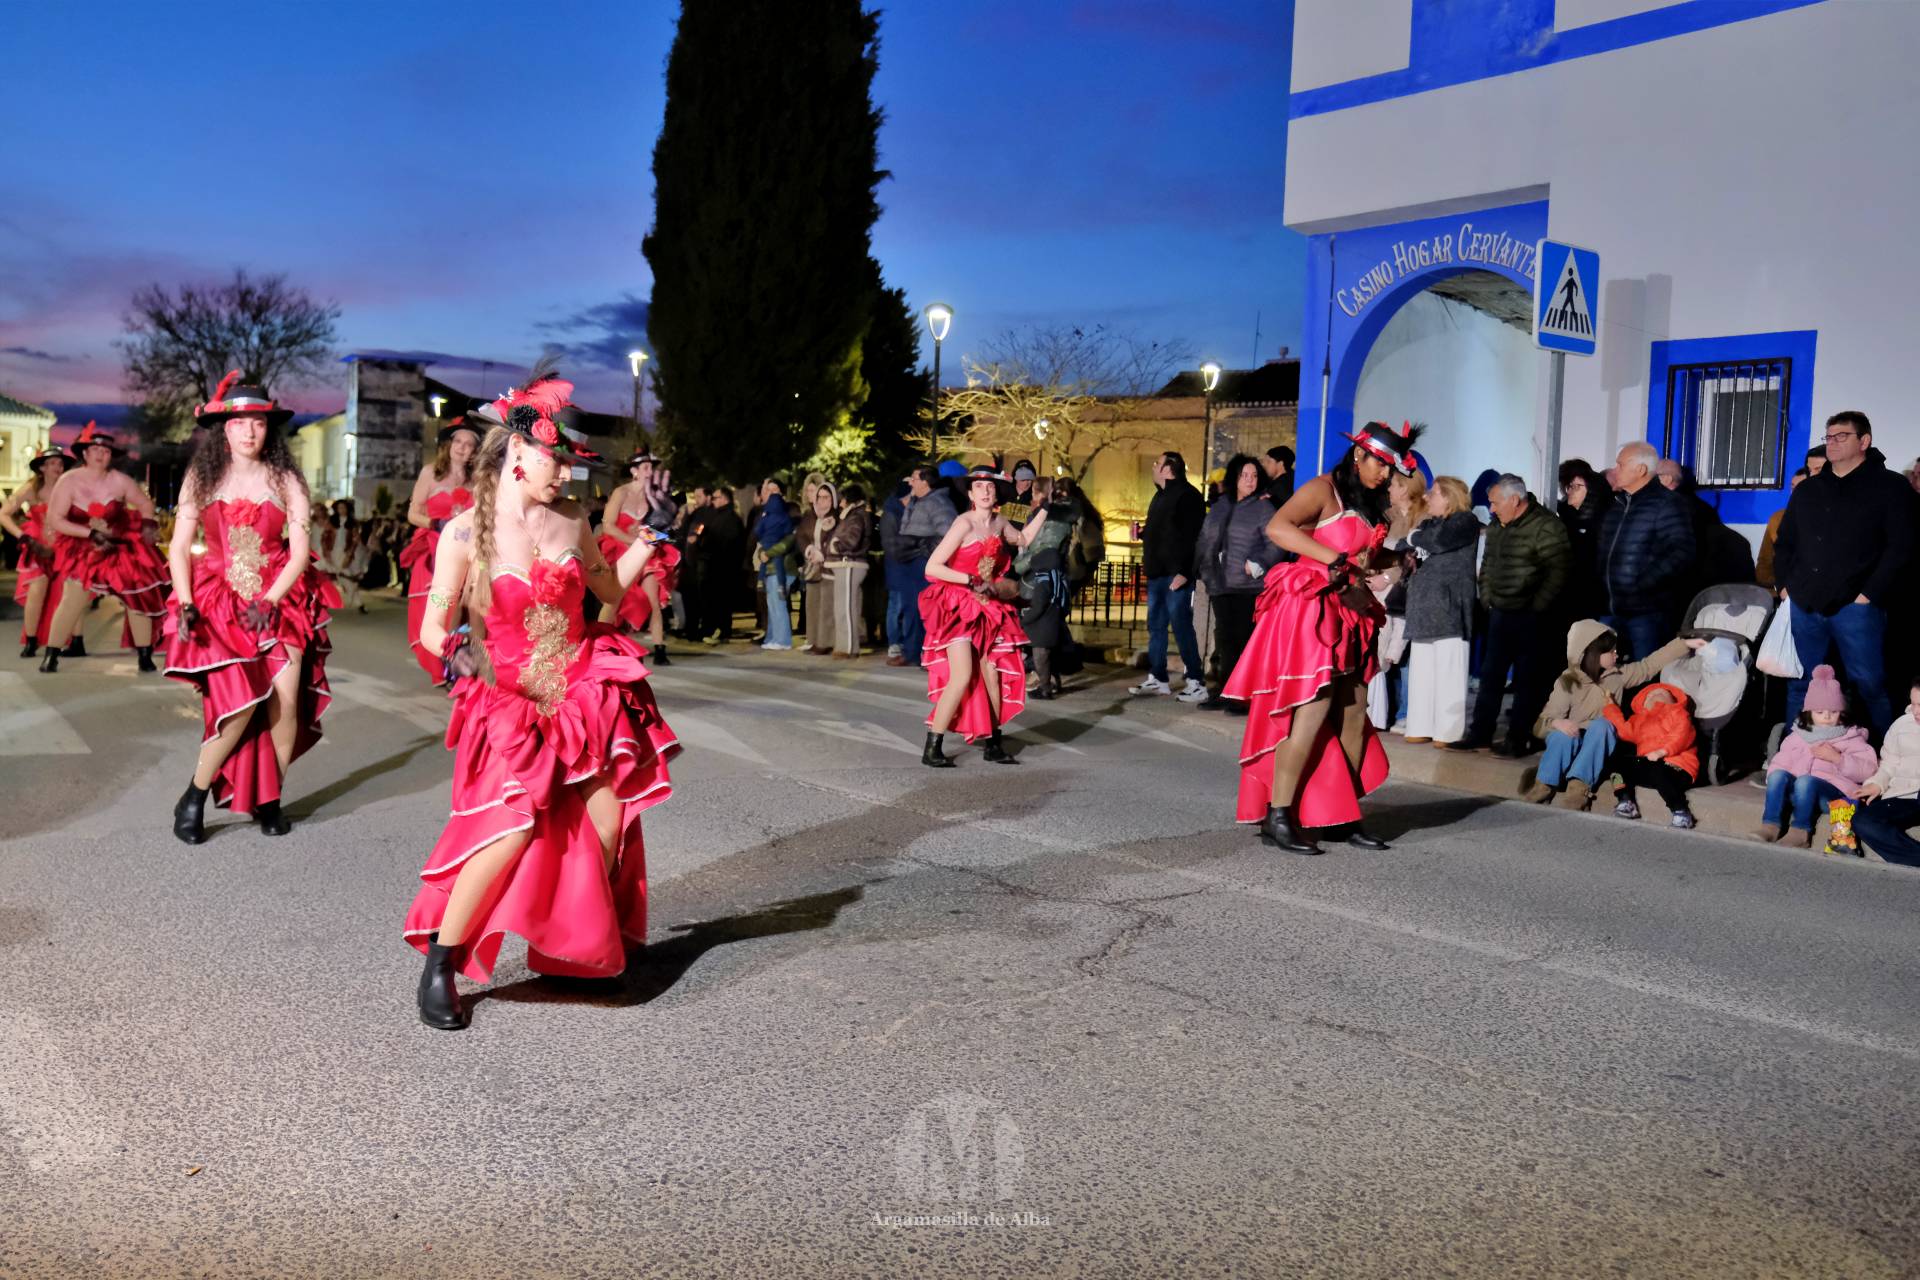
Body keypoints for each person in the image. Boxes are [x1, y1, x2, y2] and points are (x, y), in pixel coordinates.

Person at [402, 361, 679, 1031]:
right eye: (556, 460)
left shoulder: (572, 518)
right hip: (511, 703)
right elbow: (436, 626)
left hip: (580, 689)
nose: (566, 473)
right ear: (517, 449)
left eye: (571, 464)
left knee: (607, 825)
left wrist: (651, 540)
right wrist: (457, 651)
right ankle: (441, 961)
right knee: (507, 832)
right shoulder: (465, 533)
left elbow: (609, 594)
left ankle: (575, 954)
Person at [1224, 421, 1420, 853]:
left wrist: (1396, 559)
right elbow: (1279, 528)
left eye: (1391, 469)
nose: (1385, 475)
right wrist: (1331, 559)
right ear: (1359, 455)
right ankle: (1278, 815)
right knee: (1311, 713)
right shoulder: (1321, 489)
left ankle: (1341, 813)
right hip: (1313, 609)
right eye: (1381, 466)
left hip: (1351, 608)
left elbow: (1364, 554)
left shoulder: (1369, 501)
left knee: (1354, 711)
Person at [163, 373, 340, 843]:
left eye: (258, 423)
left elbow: (300, 552)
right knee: (239, 706)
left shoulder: (287, 478)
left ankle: (270, 797)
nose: (249, 432)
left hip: (278, 598)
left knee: (285, 702)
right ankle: (195, 795)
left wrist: (270, 600)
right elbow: (179, 547)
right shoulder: (202, 476)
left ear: (268, 429)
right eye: (240, 422)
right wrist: (184, 602)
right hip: (220, 602)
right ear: (225, 427)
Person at [1772, 411, 1915, 739]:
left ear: (1863, 441)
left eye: (1841, 436)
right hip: (1805, 603)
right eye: (1829, 436)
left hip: (1856, 606)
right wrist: (1785, 587)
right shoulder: (1809, 490)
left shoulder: (1890, 487)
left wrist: (1869, 594)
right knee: (1803, 683)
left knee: (1869, 683)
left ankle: (1881, 756)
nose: (1832, 443)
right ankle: (1794, 756)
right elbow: (1787, 542)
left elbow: (1901, 547)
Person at [918, 465, 1050, 767]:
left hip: (988, 606)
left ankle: (993, 742)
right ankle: (932, 746)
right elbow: (932, 568)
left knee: (993, 672)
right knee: (963, 674)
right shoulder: (963, 523)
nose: (986, 490)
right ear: (970, 493)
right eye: (979, 486)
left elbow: (1024, 539)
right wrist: (969, 581)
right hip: (958, 606)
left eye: (990, 486)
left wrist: (1045, 509)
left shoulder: (1001, 522)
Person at [1527, 620, 1701, 810]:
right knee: (1561, 736)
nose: (1616, 654)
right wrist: (1558, 723)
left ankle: (1578, 789)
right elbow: (1542, 723)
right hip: (1573, 741)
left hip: (1597, 746)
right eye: (1611, 651)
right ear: (1593, 655)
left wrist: (1683, 644)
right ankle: (1543, 786)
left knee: (1603, 725)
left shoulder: (1616, 676)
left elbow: (1648, 666)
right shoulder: (1567, 682)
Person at [39, 421, 169, 672]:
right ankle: (51, 654)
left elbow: (144, 504)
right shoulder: (69, 481)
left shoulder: (120, 481)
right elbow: (55, 520)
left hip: (117, 545)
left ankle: (144, 655)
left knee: (136, 590)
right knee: (72, 597)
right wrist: (90, 533)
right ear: (85, 453)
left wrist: (148, 526)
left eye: (106, 451)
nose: (101, 454)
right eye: (95, 450)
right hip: (82, 547)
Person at [1467, 474, 1571, 755]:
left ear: (1514, 500)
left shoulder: (1546, 526)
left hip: (1532, 615)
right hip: (1500, 612)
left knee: (1528, 679)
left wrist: (1538, 605)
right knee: (1491, 676)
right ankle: (1480, 734)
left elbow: (1558, 571)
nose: (1491, 509)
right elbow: (1487, 564)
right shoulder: (1497, 526)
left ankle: (1519, 737)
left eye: (1495, 503)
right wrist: (1487, 597)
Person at [1194, 455, 1282, 709]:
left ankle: (1242, 696)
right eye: (1245, 475)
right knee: (1225, 641)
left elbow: (1276, 542)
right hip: (1220, 584)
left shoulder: (1263, 508)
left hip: (1248, 586)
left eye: (1254, 476)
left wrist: (1257, 563)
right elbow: (1205, 538)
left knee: (1243, 641)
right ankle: (1224, 691)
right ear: (1235, 477)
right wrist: (1201, 567)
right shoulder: (1222, 505)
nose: (1250, 481)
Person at [1756, 665, 1878, 848]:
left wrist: (1838, 758)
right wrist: (1778, 778)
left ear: (1842, 713)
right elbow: (1780, 762)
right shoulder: (1797, 737)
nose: (1827, 717)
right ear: (1808, 713)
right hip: (1798, 794)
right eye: (1820, 712)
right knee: (1777, 774)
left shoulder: (1851, 737)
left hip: (1829, 797)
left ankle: (1800, 832)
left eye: (1834, 712)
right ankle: (1770, 825)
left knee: (1806, 781)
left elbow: (1868, 769)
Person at [1596, 441, 1695, 660]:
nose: (1615, 471)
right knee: (1603, 675)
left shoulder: (1667, 504)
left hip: (1646, 612)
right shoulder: (1616, 505)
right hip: (1610, 608)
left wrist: (1641, 584)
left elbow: (1680, 552)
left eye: (1621, 465)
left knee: (1645, 675)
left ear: (1640, 470)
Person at [1403, 476, 1480, 748]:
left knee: (1450, 672)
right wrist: (1414, 539)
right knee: (1421, 673)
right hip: (1423, 606)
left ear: (1448, 497)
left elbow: (1437, 542)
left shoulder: (1464, 521)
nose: (1427, 498)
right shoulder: (1429, 524)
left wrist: (1413, 536)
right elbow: (1407, 547)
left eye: (1433, 493)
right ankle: (1420, 724)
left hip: (1450, 608)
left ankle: (1448, 731)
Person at [400, 420, 477, 680]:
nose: (462, 448)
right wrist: (436, 523)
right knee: (438, 602)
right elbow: (413, 512)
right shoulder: (431, 472)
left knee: (462, 602)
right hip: (434, 544)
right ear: (449, 444)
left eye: (469, 444)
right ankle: (442, 654)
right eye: (458, 442)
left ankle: (455, 656)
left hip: (466, 549)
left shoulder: (477, 479)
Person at [1133, 451, 1207, 702]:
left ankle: (1196, 681)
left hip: (1176, 575)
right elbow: (1166, 534)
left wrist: (1186, 571)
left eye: (1157, 463)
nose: (1153, 467)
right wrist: (1145, 534)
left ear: (1168, 469)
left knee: (1181, 626)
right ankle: (1158, 678)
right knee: (1156, 627)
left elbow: (1194, 537)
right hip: (1157, 573)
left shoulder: (1188, 496)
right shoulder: (1159, 496)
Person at [596, 452, 681, 666]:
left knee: (653, 601)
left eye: (652, 468)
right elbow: (608, 525)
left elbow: (660, 529)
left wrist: (662, 529)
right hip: (619, 549)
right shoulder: (620, 493)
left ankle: (660, 648)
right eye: (645, 467)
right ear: (634, 471)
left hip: (647, 552)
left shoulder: (655, 496)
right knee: (615, 601)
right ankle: (602, 646)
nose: (650, 472)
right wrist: (631, 541)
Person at [1, 445, 72, 657]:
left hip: (65, 547)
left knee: (67, 595)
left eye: (60, 463)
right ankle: (31, 641)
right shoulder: (30, 489)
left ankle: (70, 640)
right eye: (52, 463)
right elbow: (3, 514)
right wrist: (23, 537)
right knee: (36, 592)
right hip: (37, 547)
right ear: (42, 467)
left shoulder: (68, 487)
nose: (57, 467)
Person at [1603, 683, 1702, 829]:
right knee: (1616, 763)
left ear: (1672, 698)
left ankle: (1681, 811)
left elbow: (1682, 734)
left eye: (1661, 693)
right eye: (1649, 695)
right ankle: (1625, 800)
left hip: (1677, 765)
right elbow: (1623, 729)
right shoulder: (1640, 720)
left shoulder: (1678, 713)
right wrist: (1611, 707)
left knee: (1658, 771)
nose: (1654, 695)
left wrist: (1662, 751)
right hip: (1650, 764)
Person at [889, 465, 958, 667]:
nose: (911, 482)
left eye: (914, 478)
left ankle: (928, 655)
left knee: (926, 611)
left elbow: (948, 534)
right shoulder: (916, 501)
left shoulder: (938, 503)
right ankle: (912, 652)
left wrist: (923, 548)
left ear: (925, 482)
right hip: (910, 562)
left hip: (924, 564)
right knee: (911, 609)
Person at [1016, 477, 1076, 699]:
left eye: (1034, 494)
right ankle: (1046, 676)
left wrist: (1019, 565)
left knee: (1042, 635)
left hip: (1039, 580)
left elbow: (1042, 551)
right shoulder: (1049, 516)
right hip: (1042, 579)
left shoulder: (1053, 519)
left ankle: (1045, 680)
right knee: (1047, 634)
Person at [1853, 680, 1920, 866]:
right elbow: (1889, 763)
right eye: (1913, 704)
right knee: (1863, 821)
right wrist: (1877, 783)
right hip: (1905, 796)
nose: (1916, 711)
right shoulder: (1901, 725)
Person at [1556, 459, 1612, 622]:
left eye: (1576, 486)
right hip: (1569, 597)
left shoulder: (1605, 520)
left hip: (1596, 600)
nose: (1569, 491)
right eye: (1568, 486)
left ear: (1592, 489)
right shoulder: (1565, 519)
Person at [691, 486, 745, 644]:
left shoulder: (731, 519)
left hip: (722, 568)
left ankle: (721, 630)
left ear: (724, 499)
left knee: (721, 602)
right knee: (711, 601)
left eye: (715, 498)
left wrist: (707, 545)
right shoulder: (714, 516)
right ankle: (712, 629)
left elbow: (729, 544)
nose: (712, 501)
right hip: (712, 566)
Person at [825, 483, 872, 657]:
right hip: (846, 565)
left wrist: (836, 546)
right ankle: (845, 646)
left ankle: (848, 647)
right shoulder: (852, 515)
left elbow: (851, 541)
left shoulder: (856, 516)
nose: (840, 502)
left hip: (850, 564)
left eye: (842, 498)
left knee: (846, 607)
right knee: (843, 607)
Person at [751, 476, 797, 651]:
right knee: (771, 604)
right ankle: (773, 636)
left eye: (773, 489)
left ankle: (783, 639)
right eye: (766, 490)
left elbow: (790, 539)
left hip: (784, 566)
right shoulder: (766, 513)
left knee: (778, 603)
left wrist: (768, 552)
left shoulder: (789, 511)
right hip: (768, 564)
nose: (769, 493)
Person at [796, 481, 838, 656]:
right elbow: (801, 535)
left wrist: (823, 552)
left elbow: (837, 538)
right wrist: (809, 550)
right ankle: (812, 639)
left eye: (826, 497)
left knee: (827, 606)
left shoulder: (836, 517)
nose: (822, 501)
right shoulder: (810, 516)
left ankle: (826, 641)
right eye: (819, 497)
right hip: (812, 565)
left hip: (829, 567)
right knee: (812, 604)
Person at [1754, 467, 1809, 592]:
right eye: (1793, 487)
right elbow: (1764, 561)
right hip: (1780, 592)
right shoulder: (1777, 519)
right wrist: (1778, 587)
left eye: (1800, 487)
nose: (1794, 492)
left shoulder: (1821, 519)